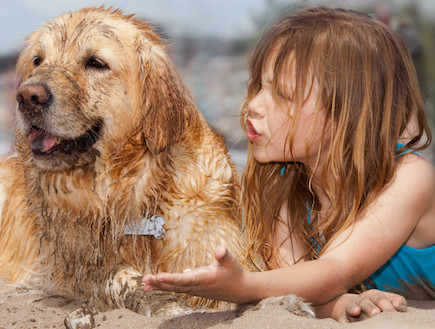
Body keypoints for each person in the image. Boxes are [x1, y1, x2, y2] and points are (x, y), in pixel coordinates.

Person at [143, 7, 435, 322]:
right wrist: (342, 305)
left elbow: (333, 271)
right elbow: (296, 285)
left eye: (282, 94)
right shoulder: (280, 181)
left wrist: (242, 286)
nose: (253, 105)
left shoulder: (408, 176)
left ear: (345, 114)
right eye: (257, 86)